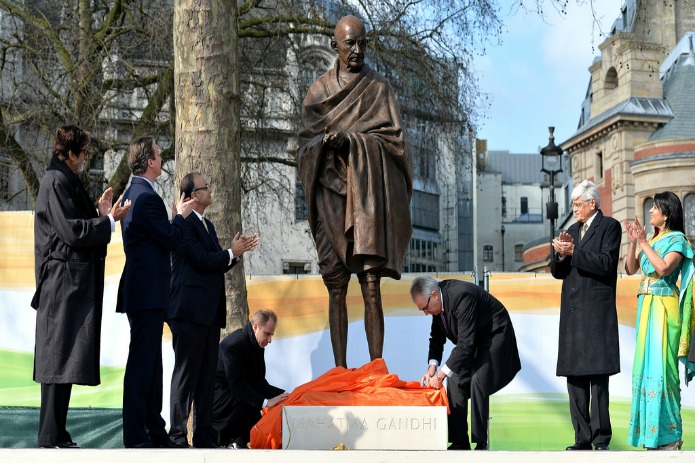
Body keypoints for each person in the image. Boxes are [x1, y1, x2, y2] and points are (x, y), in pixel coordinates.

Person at [297, 15, 413, 367]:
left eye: (363, 43)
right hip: (331, 195)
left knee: (371, 283)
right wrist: (324, 144)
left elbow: (395, 144)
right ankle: (340, 370)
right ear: (336, 45)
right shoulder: (319, 91)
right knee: (335, 285)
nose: (358, 51)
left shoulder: (379, 89)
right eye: (351, 44)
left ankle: (377, 365)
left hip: (367, 198)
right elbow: (303, 148)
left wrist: (353, 141)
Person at [32, 125, 131, 448]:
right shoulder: (56, 181)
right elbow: (72, 231)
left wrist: (99, 213)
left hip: (68, 282)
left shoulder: (63, 180)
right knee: (56, 357)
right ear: (71, 154)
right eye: (84, 152)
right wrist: (108, 221)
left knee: (64, 357)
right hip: (61, 283)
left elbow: (75, 224)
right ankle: (49, 434)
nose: (87, 158)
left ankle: (57, 431)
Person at [167, 172, 259, 448]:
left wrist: (236, 252)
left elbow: (216, 262)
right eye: (207, 187)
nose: (211, 191)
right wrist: (229, 253)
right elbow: (202, 260)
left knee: (206, 376)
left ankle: (205, 435)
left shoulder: (206, 225)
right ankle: (178, 435)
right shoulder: (182, 224)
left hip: (207, 313)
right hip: (188, 312)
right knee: (186, 374)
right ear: (194, 195)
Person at [116, 136, 196, 448]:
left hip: (142, 289)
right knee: (142, 362)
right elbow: (170, 239)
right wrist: (180, 217)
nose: (162, 159)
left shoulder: (133, 193)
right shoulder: (146, 198)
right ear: (150, 161)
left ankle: (153, 429)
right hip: (148, 290)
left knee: (150, 362)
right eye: (159, 155)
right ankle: (138, 434)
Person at [550, 179, 621, 451]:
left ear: (592, 203)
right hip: (572, 312)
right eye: (573, 205)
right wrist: (559, 253)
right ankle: (581, 438)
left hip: (596, 312)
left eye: (578, 204)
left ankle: (601, 437)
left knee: (598, 378)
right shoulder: (572, 229)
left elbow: (605, 263)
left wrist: (574, 252)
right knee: (575, 379)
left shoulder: (609, 227)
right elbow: (558, 272)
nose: (575, 209)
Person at [410, 276, 521, 451]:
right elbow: (436, 338)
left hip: (495, 333)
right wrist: (432, 368)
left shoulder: (461, 296)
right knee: (454, 379)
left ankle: (480, 442)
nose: (425, 313)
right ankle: (459, 441)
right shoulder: (438, 304)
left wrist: (440, 375)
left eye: (425, 308)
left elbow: (465, 345)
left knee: (478, 380)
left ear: (434, 295)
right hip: (474, 339)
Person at [624, 192, 695, 450]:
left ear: (667, 214)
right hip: (646, 307)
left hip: (664, 309)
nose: (650, 211)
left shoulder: (677, 240)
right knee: (645, 369)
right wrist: (634, 242)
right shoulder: (652, 239)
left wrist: (644, 242)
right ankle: (651, 437)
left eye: (655, 208)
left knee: (664, 371)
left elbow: (664, 268)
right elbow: (631, 269)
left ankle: (671, 436)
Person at [212, 309, 289, 449]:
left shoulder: (256, 343)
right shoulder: (235, 344)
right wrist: (266, 402)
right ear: (256, 327)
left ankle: (238, 440)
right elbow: (237, 385)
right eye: (267, 334)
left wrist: (286, 396)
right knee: (252, 404)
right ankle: (234, 440)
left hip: (235, 398)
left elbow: (259, 382)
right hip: (220, 404)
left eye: (272, 335)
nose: (269, 340)